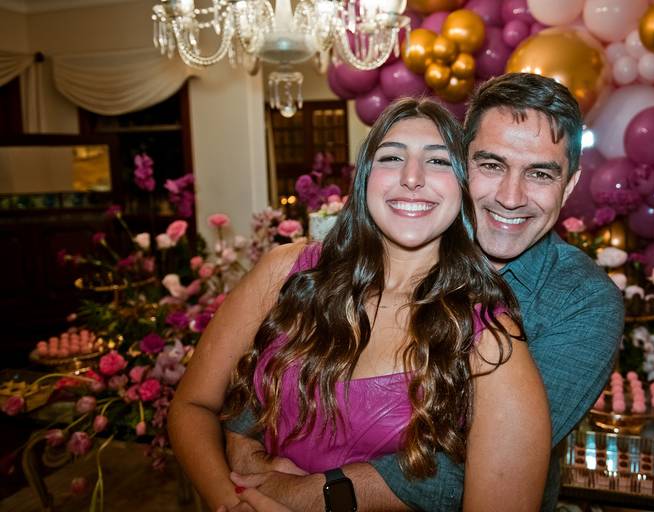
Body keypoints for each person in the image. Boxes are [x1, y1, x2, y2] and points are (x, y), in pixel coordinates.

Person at [224, 73, 624, 511]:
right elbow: (280, 369)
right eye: (491, 165)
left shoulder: (583, 301)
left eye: (540, 174)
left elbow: (479, 462)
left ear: (569, 185)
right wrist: (248, 448)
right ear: (460, 165)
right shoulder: (400, 248)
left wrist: (315, 491)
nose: (511, 197)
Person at [168, 97, 552, 512]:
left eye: (438, 161)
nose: (412, 177)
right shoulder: (287, 271)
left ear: (464, 187)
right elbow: (191, 406)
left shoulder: (490, 341)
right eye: (392, 157)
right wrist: (232, 502)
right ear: (365, 177)